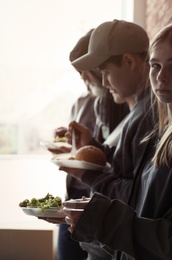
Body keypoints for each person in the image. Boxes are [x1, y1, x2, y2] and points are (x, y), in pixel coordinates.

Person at [62, 22, 172, 260]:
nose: (161, 77)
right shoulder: (165, 136)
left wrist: (106, 220)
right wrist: (95, 221)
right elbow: (147, 214)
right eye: (155, 66)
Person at [59, 19, 154, 259]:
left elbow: (136, 194)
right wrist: (93, 146)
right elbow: (127, 168)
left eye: (106, 73)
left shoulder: (145, 117)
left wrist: (86, 174)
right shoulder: (139, 112)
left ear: (130, 61)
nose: (103, 83)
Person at [53, 29, 130, 260]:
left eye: (84, 71)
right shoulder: (85, 102)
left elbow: (114, 161)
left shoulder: (121, 103)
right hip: (77, 196)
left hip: (100, 203)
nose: (82, 78)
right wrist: (70, 144)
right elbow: (91, 152)